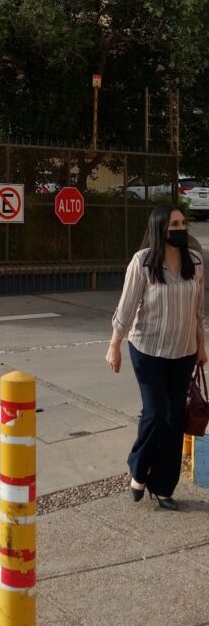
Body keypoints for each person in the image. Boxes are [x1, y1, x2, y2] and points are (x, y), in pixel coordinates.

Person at [105, 204, 208, 510]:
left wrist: (201, 345)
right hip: (147, 348)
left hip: (183, 351)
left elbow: (197, 310)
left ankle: (163, 487)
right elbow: (126, 306)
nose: (181, 228)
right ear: (160, 229)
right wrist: (114, 344)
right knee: (155, 412)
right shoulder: (143, 262)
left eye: (183, 223)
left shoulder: (195, 262)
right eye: (174, 224)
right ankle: (138, 470)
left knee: (174, 418)